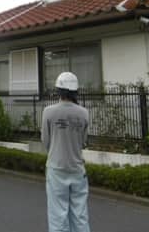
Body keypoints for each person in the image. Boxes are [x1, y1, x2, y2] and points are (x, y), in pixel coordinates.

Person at [41, 72, 90, 232]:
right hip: (77, 169)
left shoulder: (48, 111)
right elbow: (83, 141)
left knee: (58, 216)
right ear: (75, 91)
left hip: (56, 168)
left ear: (58, 90)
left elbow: (45, 141)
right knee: (80, 215)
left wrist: (55, 151)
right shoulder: (84, 113)